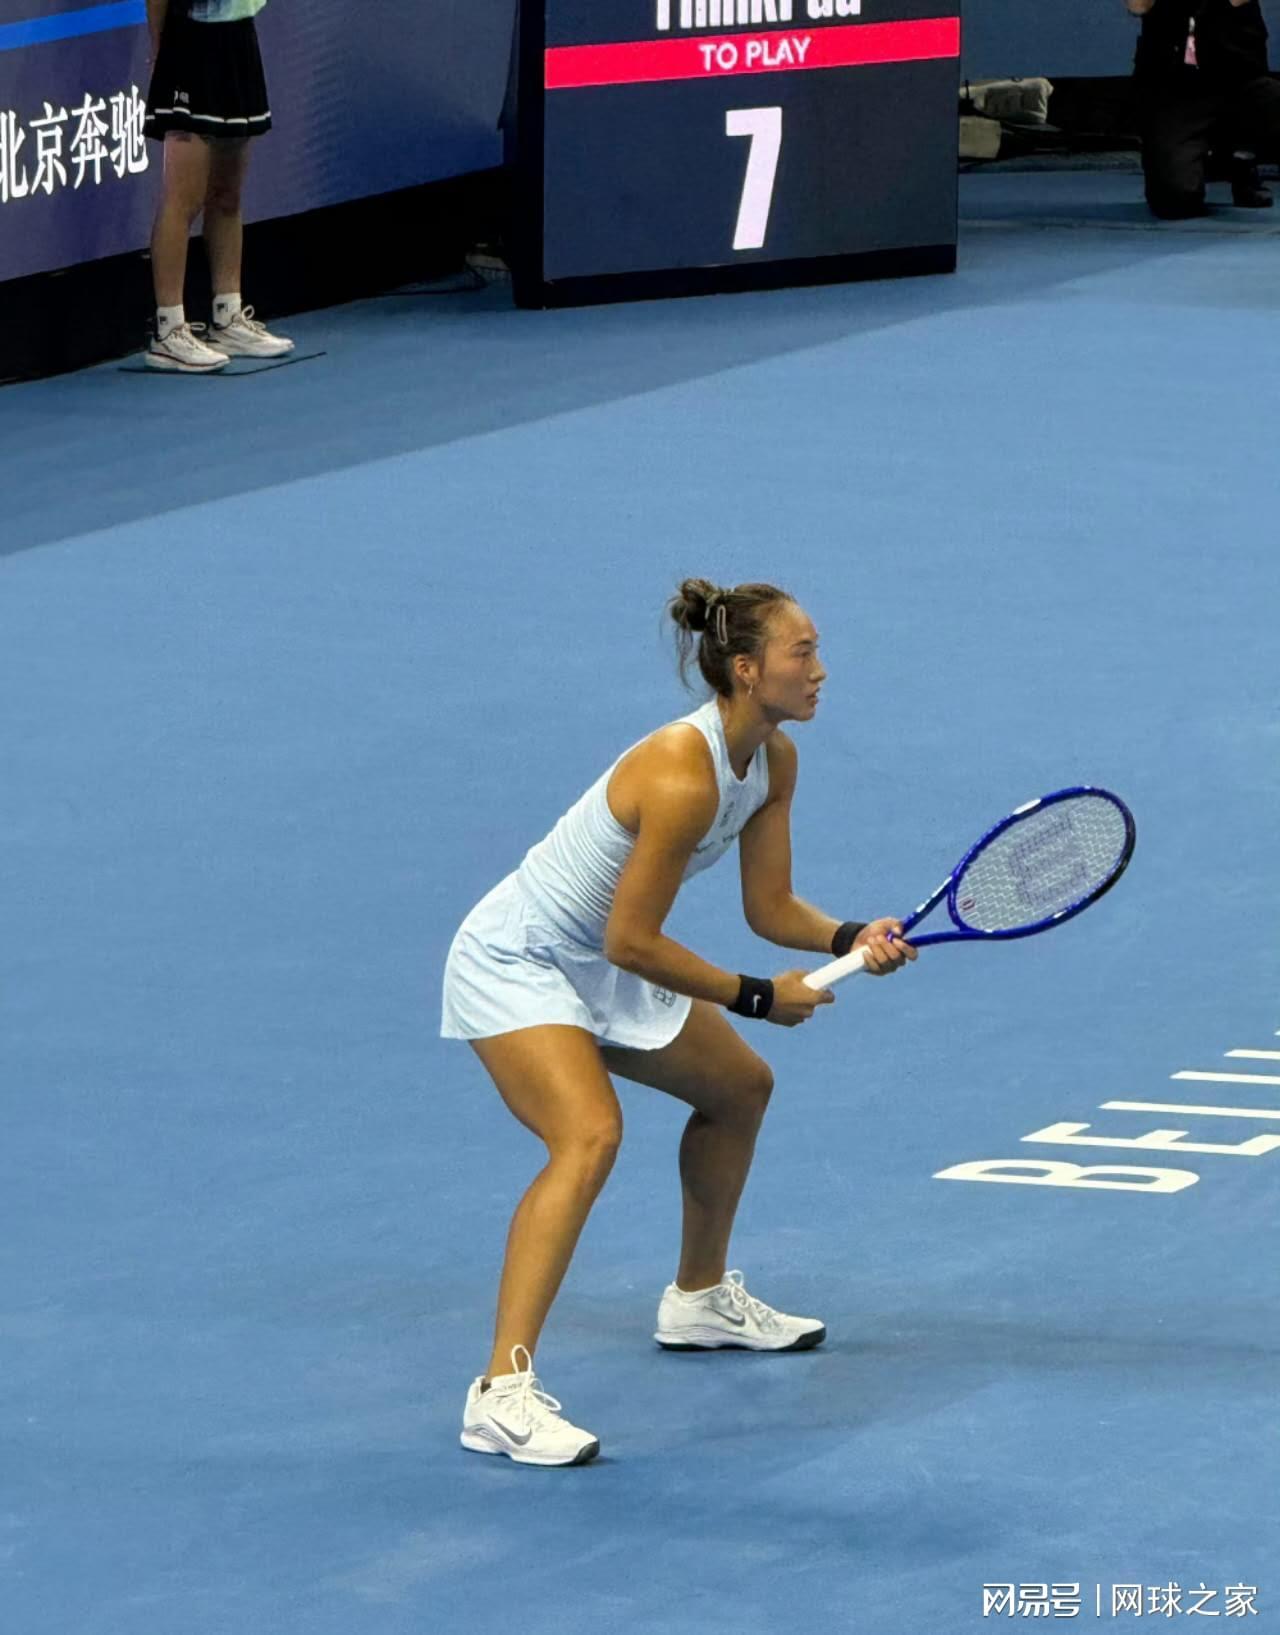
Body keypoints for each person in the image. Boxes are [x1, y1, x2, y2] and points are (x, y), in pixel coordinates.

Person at [441, 579, 917, 1467]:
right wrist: (757, 996)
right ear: (747, 670)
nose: (821, 669)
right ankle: (499, 1394)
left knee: (739, 1088)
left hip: (605, 959)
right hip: (522, 958)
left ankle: (698, 1300)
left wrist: (850, 935)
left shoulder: (773, 761)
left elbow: (769, 906)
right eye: (802, 652)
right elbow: (630, 939)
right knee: (588, 1135)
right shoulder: (678, 770)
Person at [143, 0, 294, 372]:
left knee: (227, 195)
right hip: (191, 39)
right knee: (183, 199)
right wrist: (163, 47)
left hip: (238, 34)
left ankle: (227, 317)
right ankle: (168, 330)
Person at [1127, 0, 1280, 219]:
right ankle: (1207, 160)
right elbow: (1138, 5)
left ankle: (1241, 156)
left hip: (1239, 77)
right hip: (1175, 88)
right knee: (1174, 200)